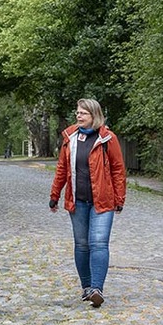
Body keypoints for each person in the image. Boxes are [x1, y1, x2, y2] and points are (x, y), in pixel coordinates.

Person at [50, 98, 126, 308]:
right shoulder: (70, 137)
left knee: (99, 243)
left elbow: (118, 170)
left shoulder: (107, 139)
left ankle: (96, 289)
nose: (78, 116)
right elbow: (62, 169)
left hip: (102, 202)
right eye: (77, 112)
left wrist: (119, 198)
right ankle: (86, 288)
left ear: (94, 116)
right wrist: (55, 195)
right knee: (82, 245)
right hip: (78, 201)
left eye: (83, 113)